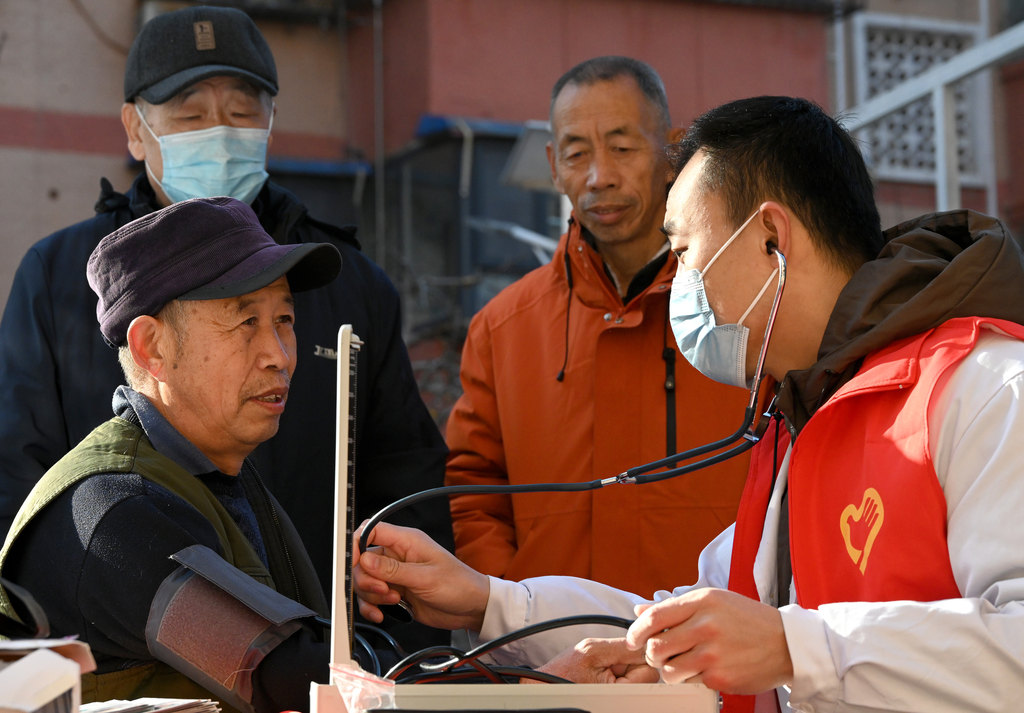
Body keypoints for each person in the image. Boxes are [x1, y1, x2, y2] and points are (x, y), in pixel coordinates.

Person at [353, 95, 1024, 712]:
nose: (680, 283)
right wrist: (490, 599)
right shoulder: (800, 428)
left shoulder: (986, 386)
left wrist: (795, 647)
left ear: (772, 240)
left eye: (685, 250)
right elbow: (688, 617)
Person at [0, 5, 452, 648]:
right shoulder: (60, 274)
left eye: (242, 112)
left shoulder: (347, 280)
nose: (219, 131)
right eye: (189, 113)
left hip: (325, 652)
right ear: (134, 128)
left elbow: (406, 481)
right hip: (122, 651)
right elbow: (18, 478)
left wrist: (407, 643)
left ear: (271, 123)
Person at [0, 197, 343, 711]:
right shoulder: (113, 513)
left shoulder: (220, 471)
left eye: (285, 319)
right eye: (245, 322)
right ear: (151, 348)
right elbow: (288, 675)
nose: (278, 355)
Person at [445, 56, 751, 595]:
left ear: (672, 151)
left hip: (715, 657)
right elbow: (476, 496)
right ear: (553, 164)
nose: (599, 176)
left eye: (623, 147)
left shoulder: (747, 304)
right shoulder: (502, 328)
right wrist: (516, 622)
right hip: (554, 664)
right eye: (577, 152)